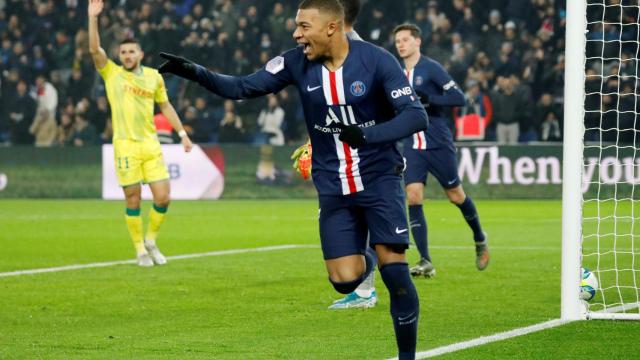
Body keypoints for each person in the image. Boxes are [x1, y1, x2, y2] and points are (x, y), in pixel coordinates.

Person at [159, 1, 427, 358]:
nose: (296, 33)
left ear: (332, 27)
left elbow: (415, 116)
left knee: (396, 277)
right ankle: (371, 253)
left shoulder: (376, 60)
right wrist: (194, 72)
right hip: (333, 186)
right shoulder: (296, 61)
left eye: (303, 26)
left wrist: (367, 136)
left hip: (379, 178)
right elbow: (242, 87)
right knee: (344, 280)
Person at [88, 0, 193, 267]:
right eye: (123, 52)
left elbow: (165, 106)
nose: (126, 55)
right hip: (125, 146)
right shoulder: (111, 74)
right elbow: (94, 49)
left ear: (140, 54)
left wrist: (182, 133)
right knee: (132, 198)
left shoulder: (153, 77)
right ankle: (139, 250)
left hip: (150, 145)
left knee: (163, 197)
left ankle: (151, 240)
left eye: (131, 51)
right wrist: (93, 18)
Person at [291, 0, 378, 310]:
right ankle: (364, 286)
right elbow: (331, 108)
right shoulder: (334, 48)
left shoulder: (356, 52)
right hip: (343, 157)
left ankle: (366, 290)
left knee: (359, 222)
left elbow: (360, 110)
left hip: (361, 160)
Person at [394, 23, 489, 277]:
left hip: (437, 142)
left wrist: (430, 99)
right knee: (413, 196)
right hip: (413, 144)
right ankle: (425, 260)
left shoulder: (431, 68)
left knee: (456, 196)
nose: (400, 44)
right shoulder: (396, 72)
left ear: (417, 42)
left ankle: (479, 237)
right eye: (397, 41)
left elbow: (459, 98)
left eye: (405, 39)